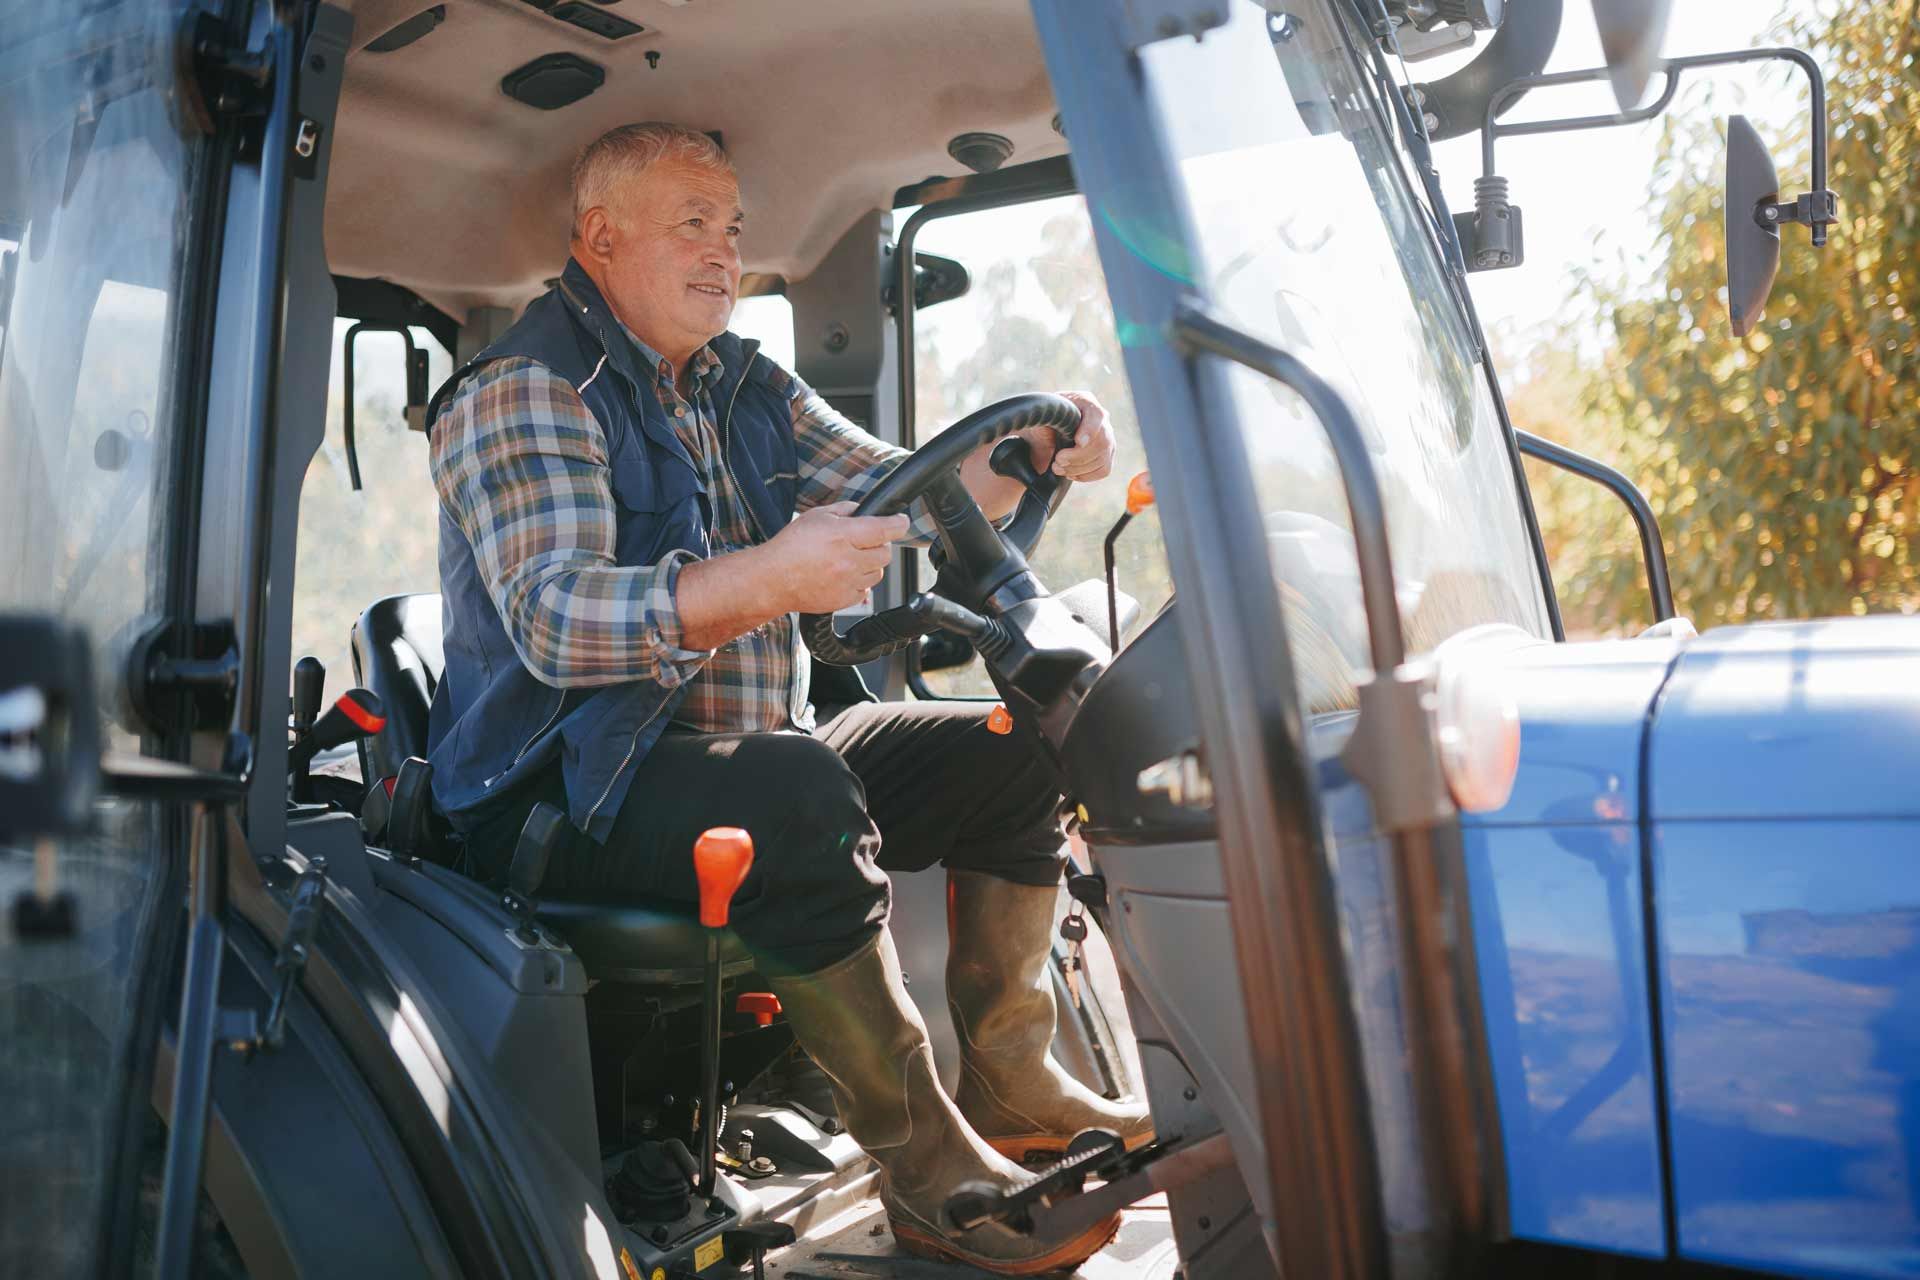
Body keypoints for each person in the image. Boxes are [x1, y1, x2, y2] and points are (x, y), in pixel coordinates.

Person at [424, 122, 1149, 1273]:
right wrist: (770, 574)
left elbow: (895, 489)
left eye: (734, 228)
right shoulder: (526, 388)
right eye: (693, 226)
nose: (725, 255)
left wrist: (1032, 446)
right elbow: (559, 619)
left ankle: (1012, 1074)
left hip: (746, 748)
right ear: (601, 238)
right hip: (566, 791)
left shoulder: (741, 381)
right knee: (798, 784)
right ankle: (924, 1165)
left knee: (1015, 744)